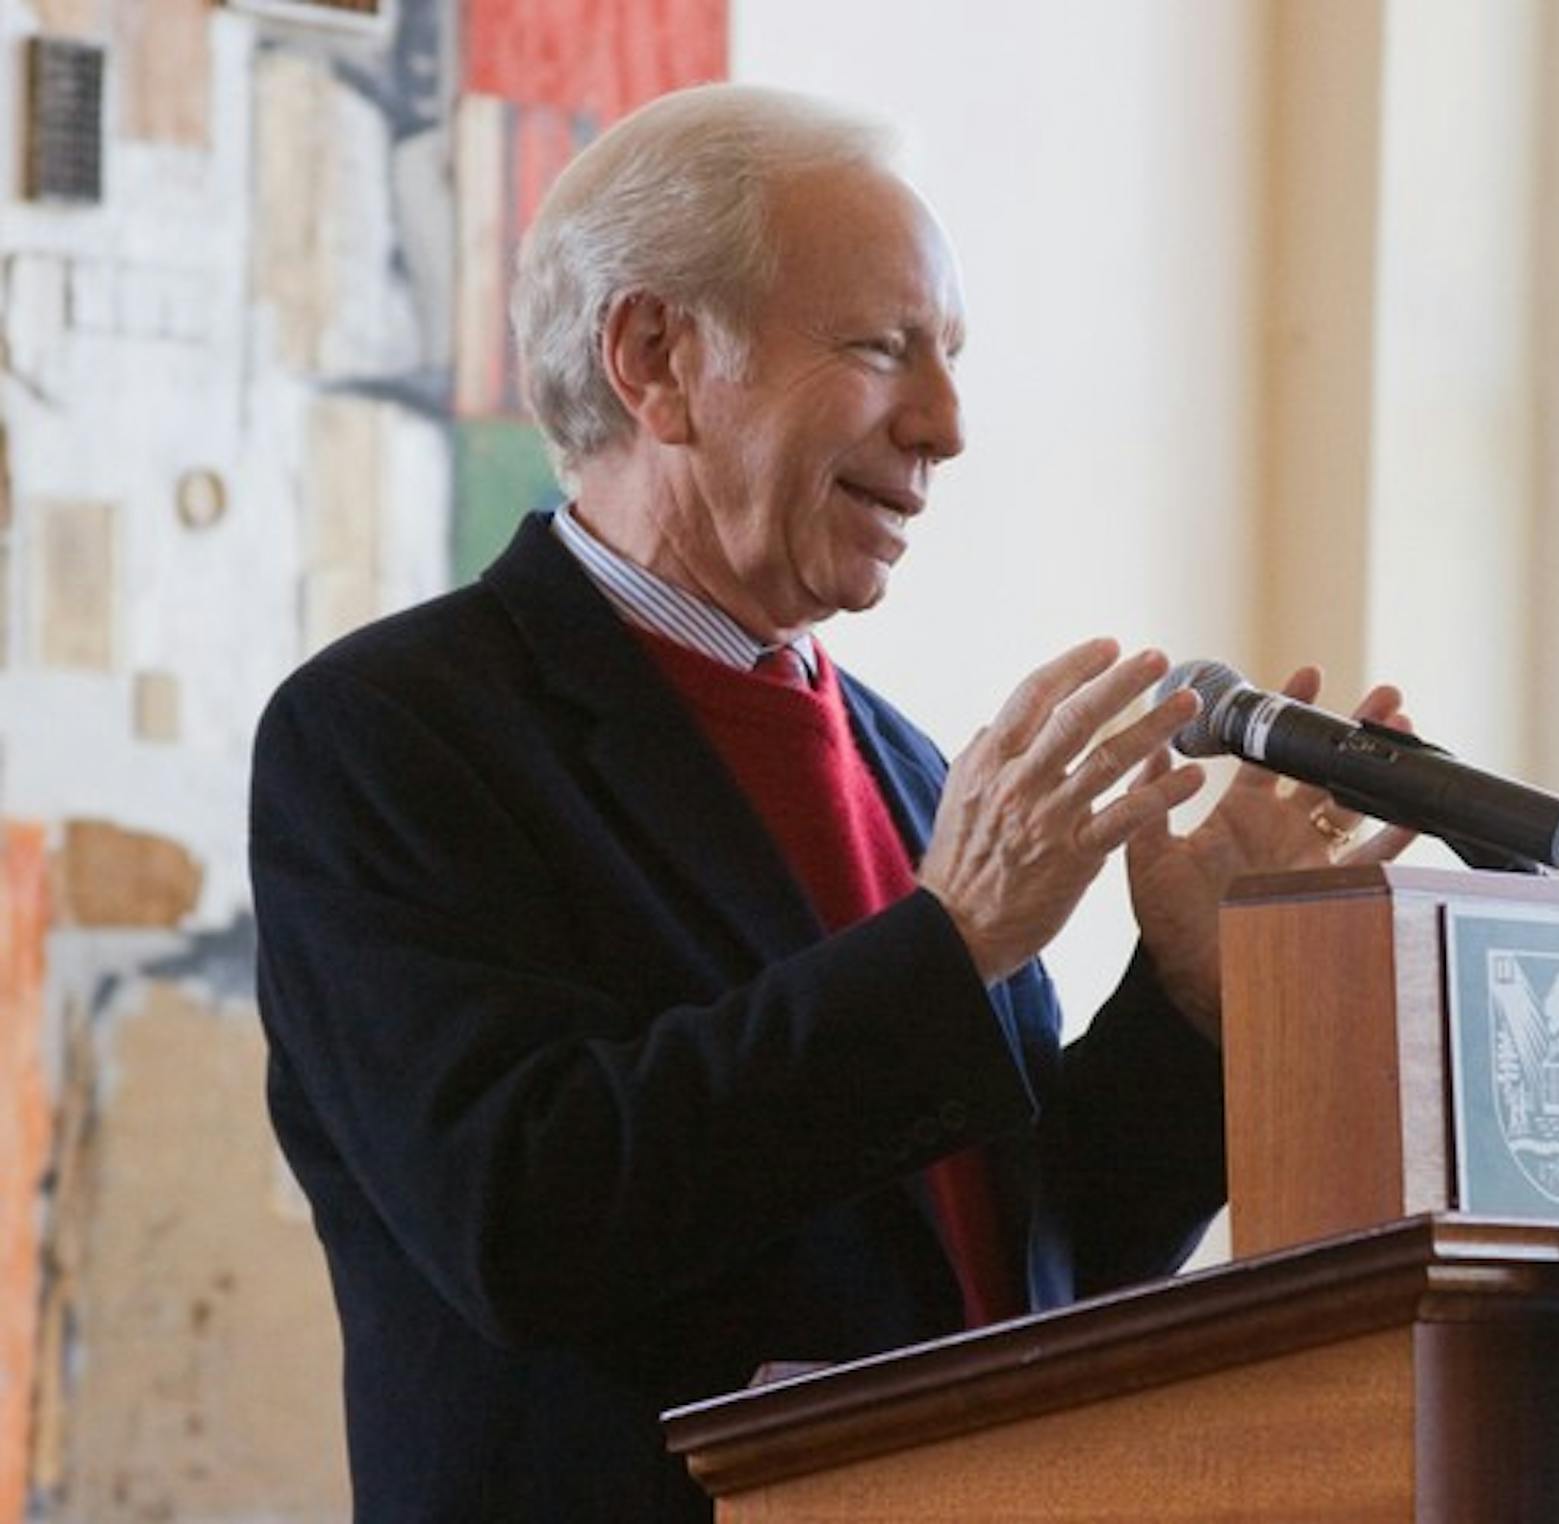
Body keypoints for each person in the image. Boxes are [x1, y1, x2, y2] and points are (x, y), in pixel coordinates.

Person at [248, 82, 1411, 1521]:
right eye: (880, 348)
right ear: (656, 359)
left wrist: (1188, 1009)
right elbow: (522, 1223)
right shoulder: (392, 734)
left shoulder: (907, 766)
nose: (945, 426)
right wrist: (952, 940)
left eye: (951, 358)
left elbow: (1015, 1278)